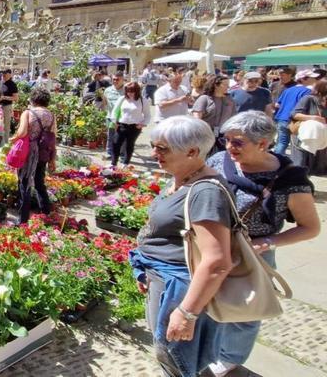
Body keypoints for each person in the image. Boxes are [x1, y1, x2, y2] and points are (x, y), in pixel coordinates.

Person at [205, 111, 320, 376]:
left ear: (263, 144)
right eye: (227, 139)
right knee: (208, 299)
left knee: (244, 310)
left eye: (238, 142)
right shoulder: (220, 160)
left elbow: (310, 228)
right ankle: (208, 345)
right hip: (213, 245)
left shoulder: (291, 180)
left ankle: (228, 358)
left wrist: (268, 242)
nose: (229, 147)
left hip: (252, 253)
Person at [129, 116, 233, 377]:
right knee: (169, 354)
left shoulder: (205, 192)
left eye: (162, 148)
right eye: (154, 145)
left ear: (192, 152)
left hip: (180, 288)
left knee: (176, 359)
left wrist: (187, 313)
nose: (154, 153)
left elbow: (217, 261)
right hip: (162, 278)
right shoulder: (182, 178)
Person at [11, 88, 56, 225]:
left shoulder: (28, 113)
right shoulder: (51, 115)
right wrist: (52, 159)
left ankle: (23, 219)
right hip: (43, 152)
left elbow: (22, 132)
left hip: (28, 152)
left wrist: (13, 139)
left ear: (33, 100)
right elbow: (53, 138)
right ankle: (46, 214)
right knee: (39, 183)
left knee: (24, 184)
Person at [274, 69, 322, 155]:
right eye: (312, 78)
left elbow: (277, 104)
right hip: (295, 121)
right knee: (297, 146)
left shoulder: (288, 90)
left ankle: (277, 162)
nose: (315, 80)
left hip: (282, 118)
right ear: (304, 79)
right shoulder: (307, 91)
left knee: (281, 143)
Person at [192, 74, 236, 154]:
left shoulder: (229, 100)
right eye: (225, 84)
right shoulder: (204, 99)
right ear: (216, 85)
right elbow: (197, 118)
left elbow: (233, 117)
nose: (228, 87)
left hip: (223, 134)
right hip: (206, 134)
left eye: (228, 84)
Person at [290, 79, 327, 173]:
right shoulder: (309, 99)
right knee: (300, 165)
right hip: (303, 138)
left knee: (317, 169)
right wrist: (314, 118)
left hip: (320, 139)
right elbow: (294, 115)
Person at [112, 82, 151, 167]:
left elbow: (147, 115)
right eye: (128, 91)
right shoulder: (122, 99)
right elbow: (114, 111)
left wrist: (143, 124)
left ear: (137, 91)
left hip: (134, 126)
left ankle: (125, 163)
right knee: (116, 143)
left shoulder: (143, 100)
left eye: (132, 91)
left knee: (129, 144)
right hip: (122, 125)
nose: (130, 93)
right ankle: (113, 163)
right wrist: (114, 121)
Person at [104, 72, 125, 160]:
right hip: (110, 117)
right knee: (111, 135)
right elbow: (105, 102)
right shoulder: (108, 90)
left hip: (122, 118)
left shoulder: (126, 90)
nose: (115, 81)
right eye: (114, 79)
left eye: (117, 79)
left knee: (122, 136)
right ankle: (109, 152)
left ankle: (122, 153)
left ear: (122, 80)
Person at [0, 69, 19, 144]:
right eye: (3, 74)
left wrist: (4, 97)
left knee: (6, 127)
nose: (3, 76)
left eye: (5, 74)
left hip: (7, 107)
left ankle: (5, 144)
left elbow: (16, 98)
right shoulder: (1, 83)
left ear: (10, 74)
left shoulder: (12, 84)